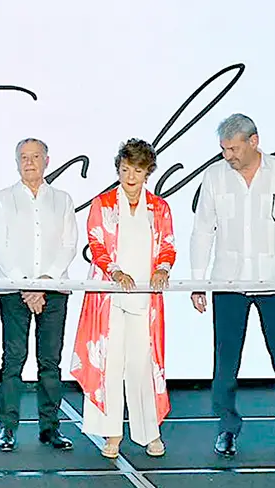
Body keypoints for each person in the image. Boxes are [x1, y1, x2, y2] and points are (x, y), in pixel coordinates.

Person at [190, 113, 275, 458]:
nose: (227, 156)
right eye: (223, 149)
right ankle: (227, 428)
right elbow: (202, 230)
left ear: (254, 141)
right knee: (225, 363)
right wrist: (198, 281)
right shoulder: (214, 175)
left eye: (233, 149)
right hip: (228, 283)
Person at [71, 139, 175, 459]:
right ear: (118, 168)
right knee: (110, 362)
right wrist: (115, 272)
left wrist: (162, 268)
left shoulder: (159, 208)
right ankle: (112, 433)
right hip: (109, 296)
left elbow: (168, 245)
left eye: (138, 171)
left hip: (145, 298)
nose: (130, 177)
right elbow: (97, 244)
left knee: (142, 366)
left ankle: (150, 433)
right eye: (125, 169)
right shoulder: (102, 204)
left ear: (148, 173)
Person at [0, 138, 78, 452]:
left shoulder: (62, 200)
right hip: (15, 292)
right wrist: (27, 285)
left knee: (50, 361)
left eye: (35, 156)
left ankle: (50, 428)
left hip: (54, 291)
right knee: (13, 359)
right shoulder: (3, 199)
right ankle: (7, 428)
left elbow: (69, 244)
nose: (29, 162)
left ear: (47, 160)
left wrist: (44, 282)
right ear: (17, 162)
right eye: (23, 157)